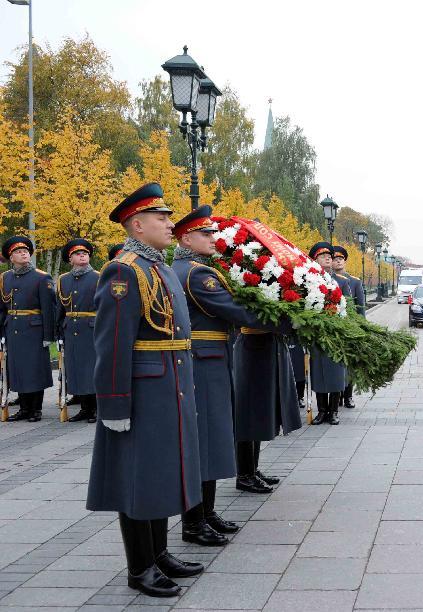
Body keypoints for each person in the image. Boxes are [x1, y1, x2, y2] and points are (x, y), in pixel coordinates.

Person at [86, 183, 204, 597]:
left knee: (161, 473)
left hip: (167, 385)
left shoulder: (161, 267)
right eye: (162, 218)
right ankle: (140, 567)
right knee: (138, 478)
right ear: (137, 225)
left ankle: (158, 552)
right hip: (140, 388)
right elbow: (112, 341)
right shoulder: (124, 269)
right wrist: (114, 404)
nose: (171, 224)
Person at [172, 206, 275, 544]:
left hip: (211, 359)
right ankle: (194, 522)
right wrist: (281, 317)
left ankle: (206, 513)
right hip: (204, 362)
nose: (213, 239)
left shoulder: (193, 269)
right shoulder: (197, 274)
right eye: (206, 234)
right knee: (205, 439)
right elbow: (233, 310)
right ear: (186, 238)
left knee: (212, 438)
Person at [232, 231, 304, 491]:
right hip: (252, 347)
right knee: (248, 412)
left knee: (261, 411)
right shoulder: (241, 272)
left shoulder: (268, 271)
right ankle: (244, 474)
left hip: (268, 345)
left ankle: (253, 468)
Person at [0, 236, 56, 422]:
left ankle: (35, 410)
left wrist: (49, 334)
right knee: (18, 370)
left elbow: (49, 308)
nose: (23, 253)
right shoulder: (5, 278)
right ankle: (24, 408)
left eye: (25, 251)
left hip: (34, 330)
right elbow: (2, 308)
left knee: (34, 369)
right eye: (18, 252)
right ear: (11, 257)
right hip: (13, 329)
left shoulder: (41, 277)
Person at [55, 239, 99, 423]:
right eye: (77, 254)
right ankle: (85, 408)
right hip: (71, 329)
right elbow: (59, 308)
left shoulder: (99, 277)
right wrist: (57, 333)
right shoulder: (64, 280)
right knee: (77, 370)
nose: (82, 256)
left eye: (85, 253)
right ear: (70, 259)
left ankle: (96, 408)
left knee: (92, 369)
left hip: (92, 329)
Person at [307, 242, 347, 425]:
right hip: (317, 334)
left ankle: (333, 411)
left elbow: (350, 309)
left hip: (336, 335)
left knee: (336, 373)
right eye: (323, 256)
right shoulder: (308, 279)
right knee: (319, 373)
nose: (328, 258)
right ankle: (321, 411)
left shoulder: (342, 282)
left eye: (330, 256)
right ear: (315, 259)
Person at [332, 245, 365, 409]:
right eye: (335, 259)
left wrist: (361, 327)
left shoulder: (354, 281)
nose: (338, 261)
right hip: (334, 327)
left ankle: (348, 396)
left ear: (344, 261)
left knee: (349, 363)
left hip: (350, 327)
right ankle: (336, 396)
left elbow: (361, 307)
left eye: (341, 259)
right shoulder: (326, 279)